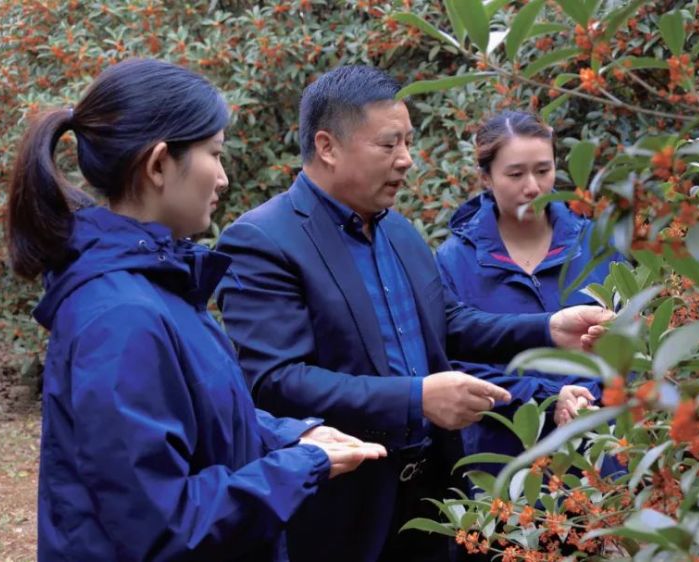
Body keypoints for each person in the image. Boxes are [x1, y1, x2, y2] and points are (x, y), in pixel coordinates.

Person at [214, 65, 615, 562]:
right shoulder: (264, 240)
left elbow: (448, 325)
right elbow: (276, 380)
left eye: (408, 142)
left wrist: (548, 328)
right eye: (388, 145)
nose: (406, 160)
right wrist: (416, 398)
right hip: (343, 508)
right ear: (327, 146)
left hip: (432, 499)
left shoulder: (398, 232)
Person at [6, 58, 385, 562]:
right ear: (160, 164)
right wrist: (301, 466)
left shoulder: (157, 286)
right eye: (214, 153)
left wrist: (292, 435)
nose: (224, 178)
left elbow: (201, 415)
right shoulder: (120, 318)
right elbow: (163, 525)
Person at [435, 110, 627, 477]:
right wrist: (545, 399)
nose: (533, 186)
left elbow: (633, 339)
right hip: (508, 467)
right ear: (486, 177)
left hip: (602, 455)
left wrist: (588, 396)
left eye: (543, 170)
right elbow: (454, 362)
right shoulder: (453, 261)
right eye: (515, 174)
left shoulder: (596, 244)